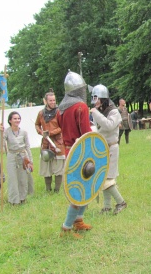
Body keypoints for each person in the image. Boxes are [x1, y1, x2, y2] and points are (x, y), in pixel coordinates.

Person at [57, 71, 93, 238]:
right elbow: (86, 134)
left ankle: (78, 221)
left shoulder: (60, 109)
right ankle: (66, 228)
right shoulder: (81, 107)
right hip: (80, 151)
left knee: (85, 187)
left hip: (68, 151)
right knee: (79, 191)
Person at [91, 84, 127, 215]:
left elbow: (109, 125)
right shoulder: (99, 110)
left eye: (97, 98)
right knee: (104, 177)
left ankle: (121, 202)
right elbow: (98, 128)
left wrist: (95, 113)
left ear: (103, 98)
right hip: (102, 148)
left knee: (108, 178)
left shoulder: (113, 111)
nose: (95, 101)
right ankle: (107, 207)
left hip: (111, 147)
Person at [35, 90, 65, 192]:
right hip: (46, 143)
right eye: (50, 100)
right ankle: (48, 189)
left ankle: (57, 190)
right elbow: (37, 124)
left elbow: (62, 127)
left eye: (54, 100)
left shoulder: (59, 112)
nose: (53, 102)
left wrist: (50, 133)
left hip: (57, 143)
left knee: (58, 168)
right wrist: (40, 131)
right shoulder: (41, 114)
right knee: (46, 167)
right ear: (46, 101)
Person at [3, 111, 34, 205]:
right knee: (13, 178)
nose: (17, 120)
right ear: (10, 120)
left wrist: (30, 161)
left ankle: (22, 198)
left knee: (23, 178)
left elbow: (27, 146)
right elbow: (1, 144)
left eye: (18, 118)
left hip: (23, 156)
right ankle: (14, 200)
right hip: (12, 156)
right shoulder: (6, 132)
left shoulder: (24, 132)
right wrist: (0, 133)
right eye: (15, 119)